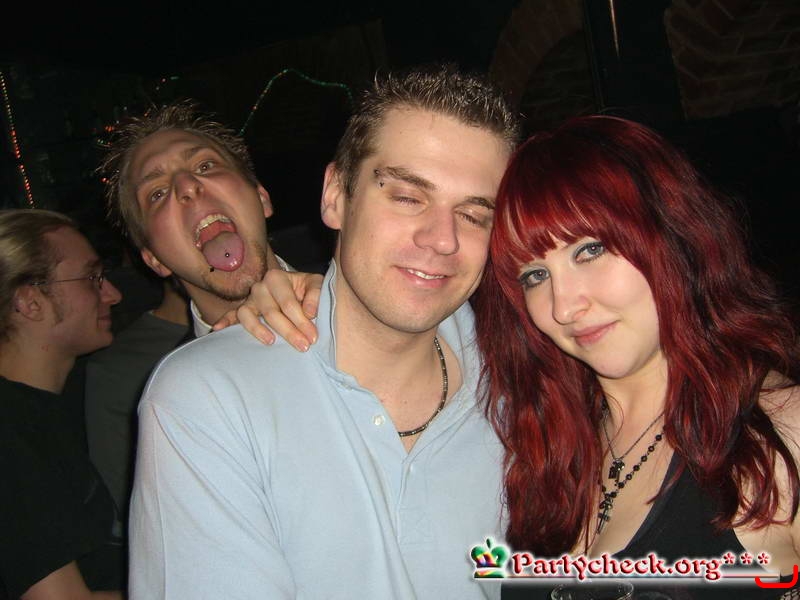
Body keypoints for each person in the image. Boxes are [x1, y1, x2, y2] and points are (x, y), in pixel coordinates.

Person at [129, 65, 520, 599]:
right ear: (335, 195)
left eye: (474, 215)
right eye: (407, 196)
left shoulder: (528, 380)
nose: (442, 239)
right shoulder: (206, 397)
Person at [472, 115, 800, 598]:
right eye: (535, 276)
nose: (564, 307)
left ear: (672, 234)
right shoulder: (542, 453)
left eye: (589, 250)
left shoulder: (782, 435)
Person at [0, 209, 124, 599]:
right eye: (92, 278)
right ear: (30, 301)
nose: (113, 294)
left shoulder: (46, 409)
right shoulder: (9, 431)